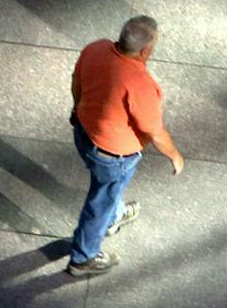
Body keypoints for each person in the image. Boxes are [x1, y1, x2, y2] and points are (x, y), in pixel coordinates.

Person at [66, 15, 185, 276]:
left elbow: (77, 81)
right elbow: (154, 130)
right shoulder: (141, 85)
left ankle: (114, 216)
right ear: (146, 51)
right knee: (99, 203)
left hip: (84, 133)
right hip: (113, 155)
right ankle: (82, 258)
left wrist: (78, 108)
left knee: (109, 192)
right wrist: (175, 156)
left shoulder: (95, 48)